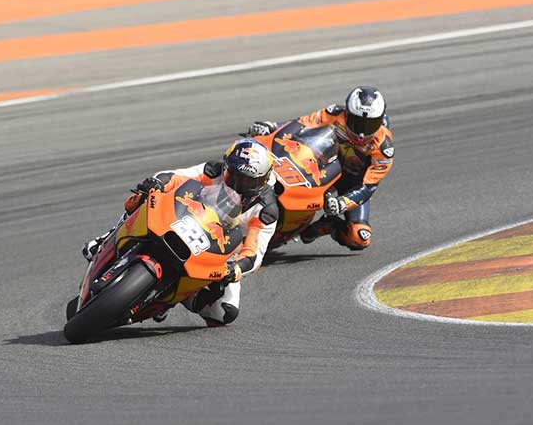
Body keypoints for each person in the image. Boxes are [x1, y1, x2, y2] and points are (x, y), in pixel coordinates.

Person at [82, 138, 278, 326]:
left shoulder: (266, 211)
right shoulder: (213, 171)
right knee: (144, 195)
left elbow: (254, 253)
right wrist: (158, 183)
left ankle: (172, 298)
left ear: (264, 180)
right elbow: (175, 177)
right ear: (226, 168)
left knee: (224, 312)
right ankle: (107, 237)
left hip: (222, 250)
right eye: (235, 177)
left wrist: (236, 268)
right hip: (187, 217)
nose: (240, 185)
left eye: (249, 182)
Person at [249, 86, 394, 250]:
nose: (362, 133)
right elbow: (301, 123)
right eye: (357, 123)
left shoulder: (384, 149)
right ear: (347, 114)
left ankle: (328, 226)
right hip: (322, 168)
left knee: (359, 237)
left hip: (351, 185)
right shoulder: (334, 113)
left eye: (370, 125)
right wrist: (272, 126)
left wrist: (343, 202)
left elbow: (368, 187)